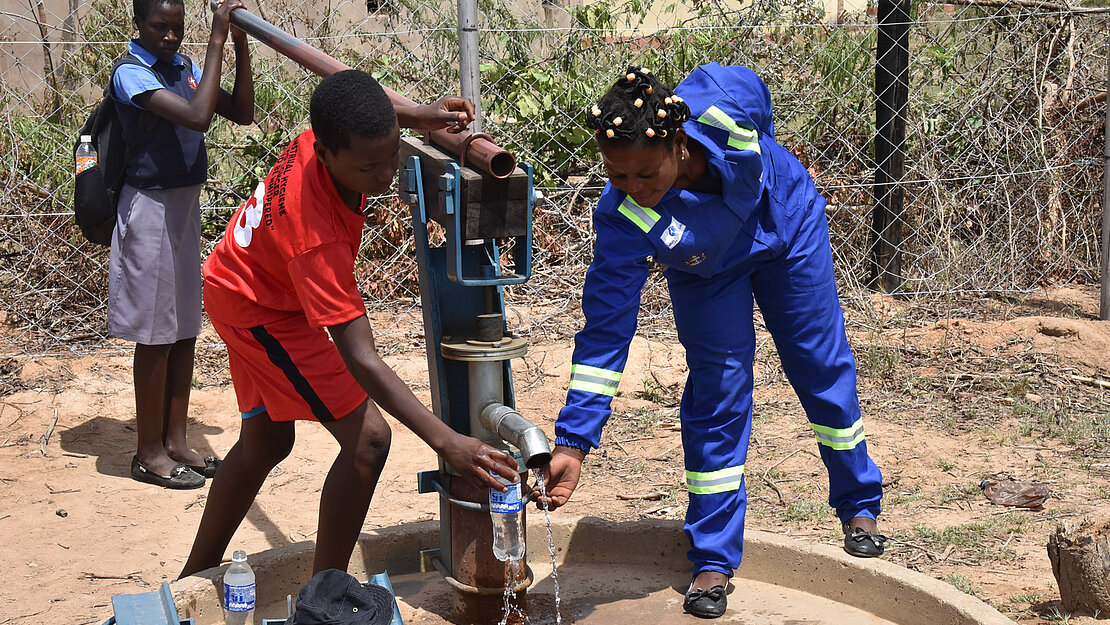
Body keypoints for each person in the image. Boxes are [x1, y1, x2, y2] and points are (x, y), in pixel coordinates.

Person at [530, 64, 886, 619]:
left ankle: (859, 503)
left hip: (787, 229)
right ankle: (714, 560)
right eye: (618, 177)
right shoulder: (623, 214)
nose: (636, 191)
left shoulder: (725, 103)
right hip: (705, 272)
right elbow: (607, 329)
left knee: (819, 365)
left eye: (647, 175)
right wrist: (574, 441)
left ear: (679, 142)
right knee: (718, 394)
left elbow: (761, 110)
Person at [179, 69, 520, 577]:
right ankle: (326, 596)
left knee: (267, 442)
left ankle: (194, 576)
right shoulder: (316, 239)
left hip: (237, 277)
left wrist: (418, 116)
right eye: (369, 167)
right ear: (328, 155)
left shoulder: (329, 126)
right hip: (262, 308)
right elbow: (360, 355)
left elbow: (362, 95)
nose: (385, 175)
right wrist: (446, 440)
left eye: (391, 156)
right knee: (368, 442)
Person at [111, 0, 254, 489]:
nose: (171, 37)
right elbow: (197, 117)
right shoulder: (131, 74)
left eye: (178, 28)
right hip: (149, 208)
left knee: (183, 328)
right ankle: (147, 453)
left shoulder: (185, 68)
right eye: (159, 27)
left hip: (183, 206)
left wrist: (237, 43)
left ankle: (176, 442)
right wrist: (215, 38)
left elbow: (243, 112)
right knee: (155, 333)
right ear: (138, 24)